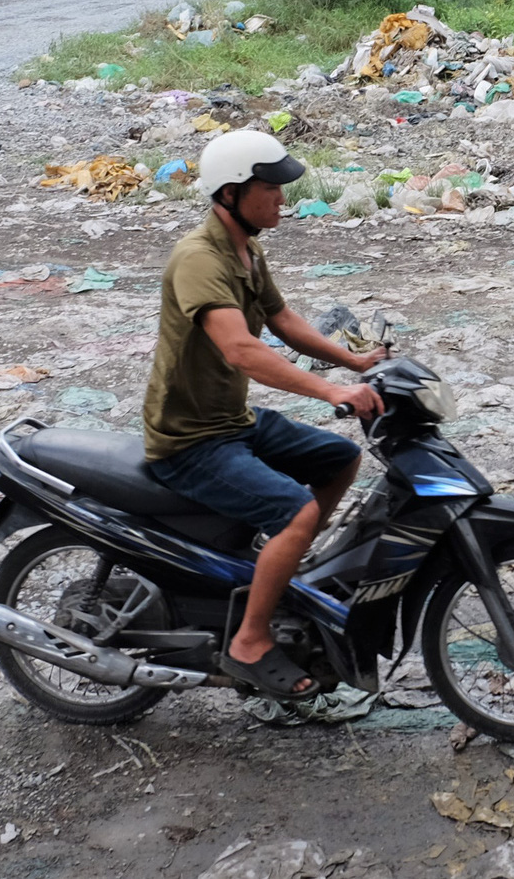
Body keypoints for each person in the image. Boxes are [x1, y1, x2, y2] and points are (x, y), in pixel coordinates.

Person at [141, 129, 384, 700]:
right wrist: (329, 392)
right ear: (230, 193)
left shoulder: (246, 251)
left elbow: (281, 320)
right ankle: (249, 642)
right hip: (190, 440)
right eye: (269, 187)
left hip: (232, 422)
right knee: (298, 512)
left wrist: (354, 361)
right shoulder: (199, 259)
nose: (281, 197)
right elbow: (241, 349)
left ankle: (279, 573)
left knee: (340, 457)